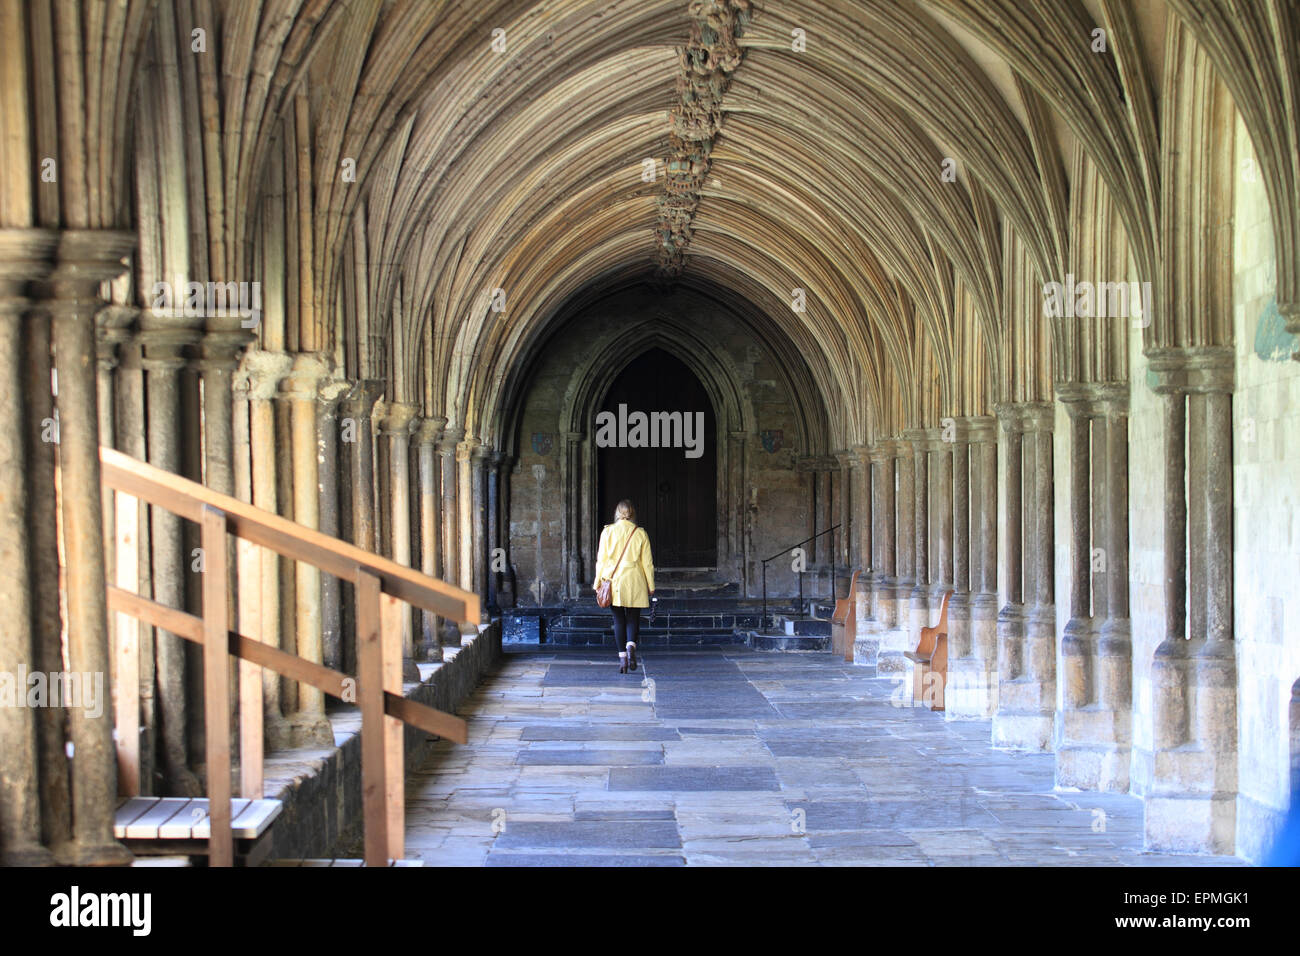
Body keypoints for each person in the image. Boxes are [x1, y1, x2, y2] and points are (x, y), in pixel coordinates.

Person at [593, 500, 655, 674]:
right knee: (633, 618)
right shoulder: (640, 533)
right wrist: (651, 585)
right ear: (633, 513)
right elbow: (647, 563)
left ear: (617, 513)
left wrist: (597, 582)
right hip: (635, 579)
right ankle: (631, 646)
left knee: (618, 619)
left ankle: (622, 659)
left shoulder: (608, 532)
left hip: (614, 581)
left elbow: (601, 560)